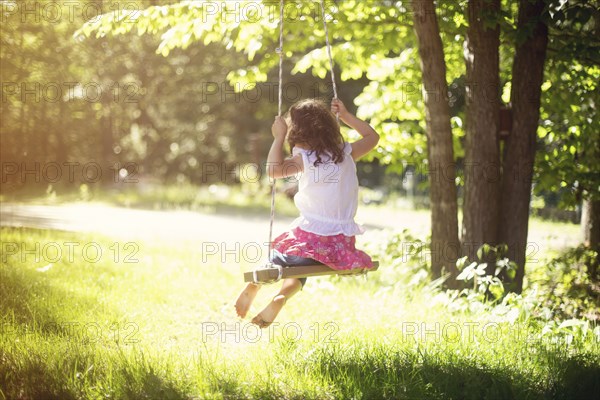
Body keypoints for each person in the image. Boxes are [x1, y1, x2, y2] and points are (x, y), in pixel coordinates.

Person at [235, 98, 380, 328]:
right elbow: (373, 137)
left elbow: (273, 171)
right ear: (329, 126)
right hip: (338, 247)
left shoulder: (304, 158)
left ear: (297, 132)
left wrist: (278, 137)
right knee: (301, 269)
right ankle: (282, 297)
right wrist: (346, 116)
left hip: (308, 240)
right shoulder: (346, 153)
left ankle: (255, 284)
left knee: (279, 256)